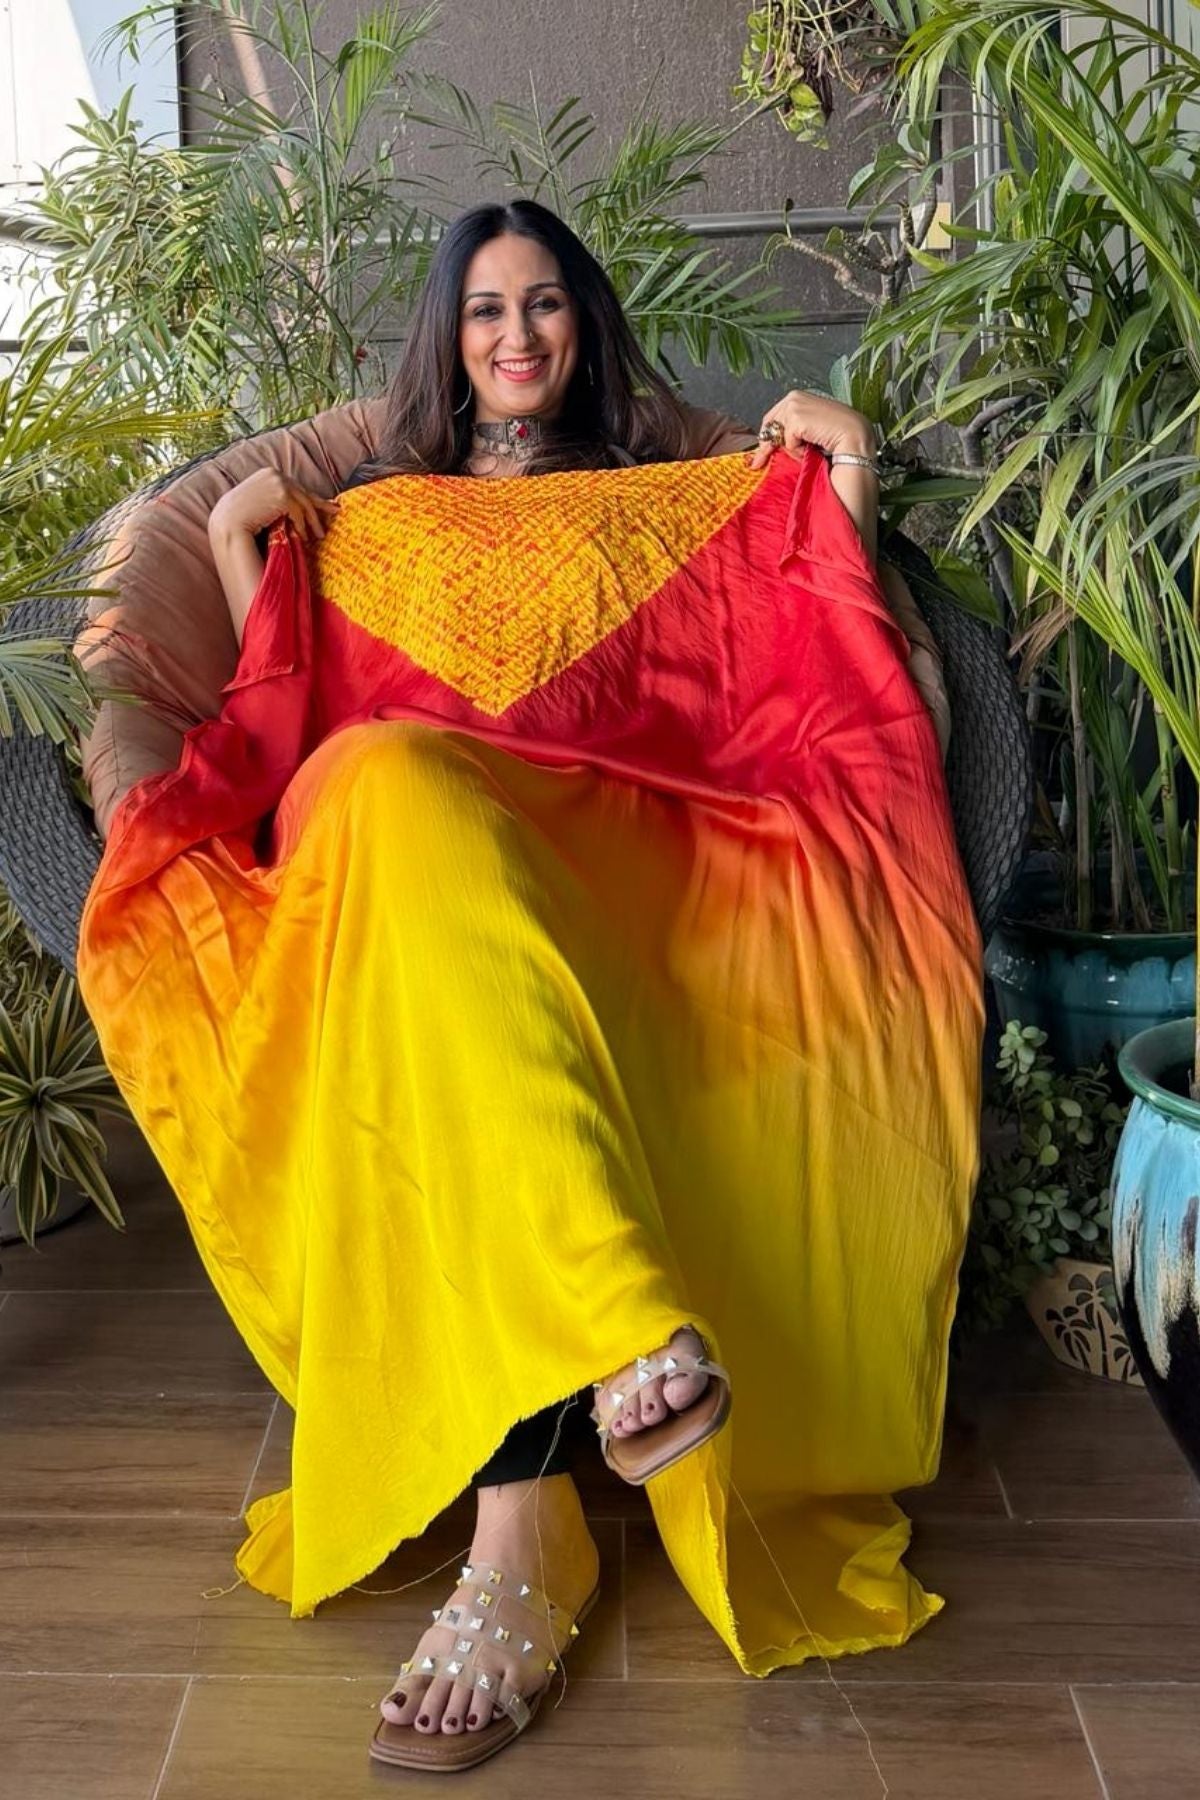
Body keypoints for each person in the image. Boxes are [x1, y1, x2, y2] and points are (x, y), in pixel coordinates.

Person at [80, 199, 979, 1776]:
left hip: (600, 856)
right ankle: (609, 1361)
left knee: (433, 892)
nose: (516, 335)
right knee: (389, 786)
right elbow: (281, 718)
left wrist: (845, 476)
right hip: (389, 848)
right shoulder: (376, 513)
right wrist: (235, 548)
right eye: (487, 308)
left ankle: (533, 1522)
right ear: (447, 334)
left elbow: (795, 655)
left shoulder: (664, 499)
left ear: (585, 325)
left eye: (546, 303)